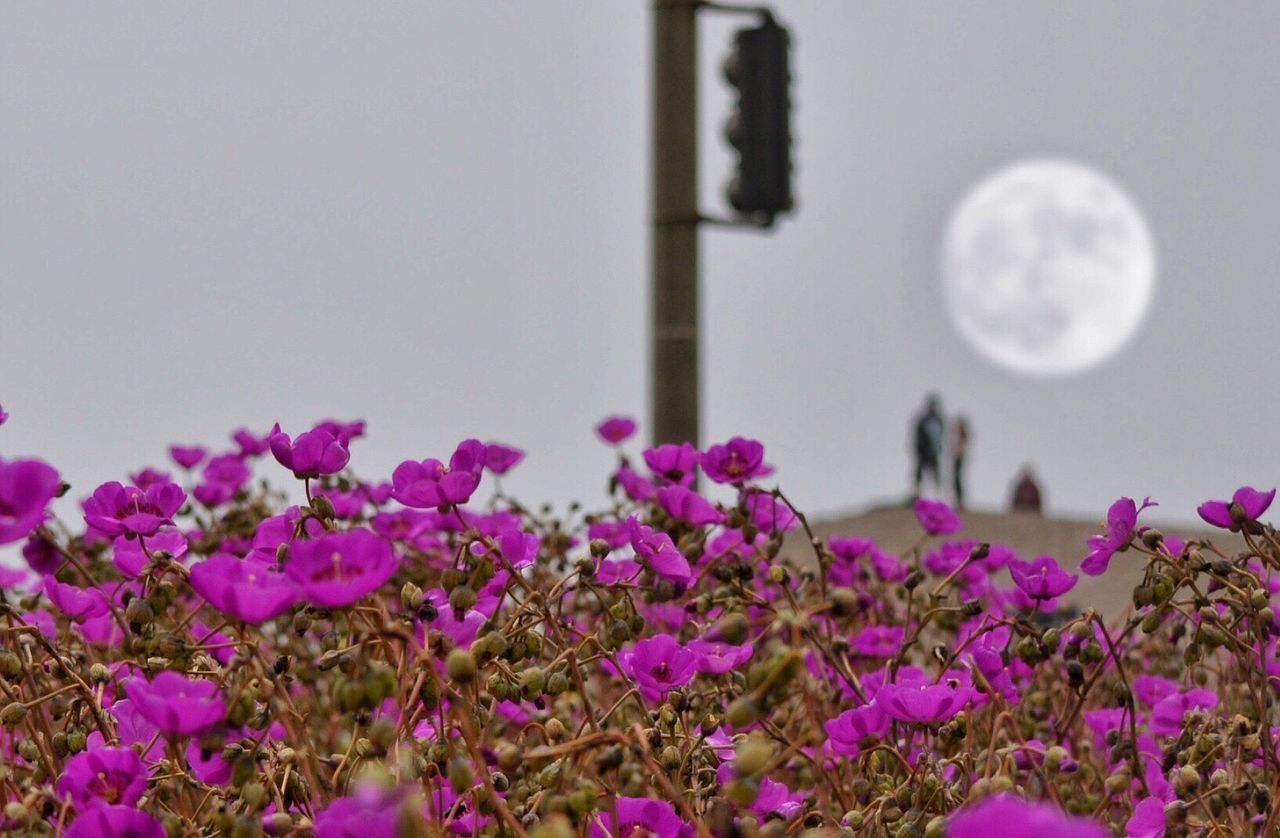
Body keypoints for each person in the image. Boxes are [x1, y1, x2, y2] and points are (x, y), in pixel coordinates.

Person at [911, 394, 945, 497]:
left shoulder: (938, 420)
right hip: (923, 452)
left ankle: (937, 495)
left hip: (933, 452)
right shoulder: (924, 420)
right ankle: (917, 494)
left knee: (935, 474)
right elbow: (918, 436)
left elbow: (940, 437)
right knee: (920, 473)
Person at [950, 415, 971, 509]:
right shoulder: (960, 434)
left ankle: (959, 500)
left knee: (957, 479)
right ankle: (958, 500)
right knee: (955, 479)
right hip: (958, 457)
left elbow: (960, 447)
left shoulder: (962, 435)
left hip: (959, 457)